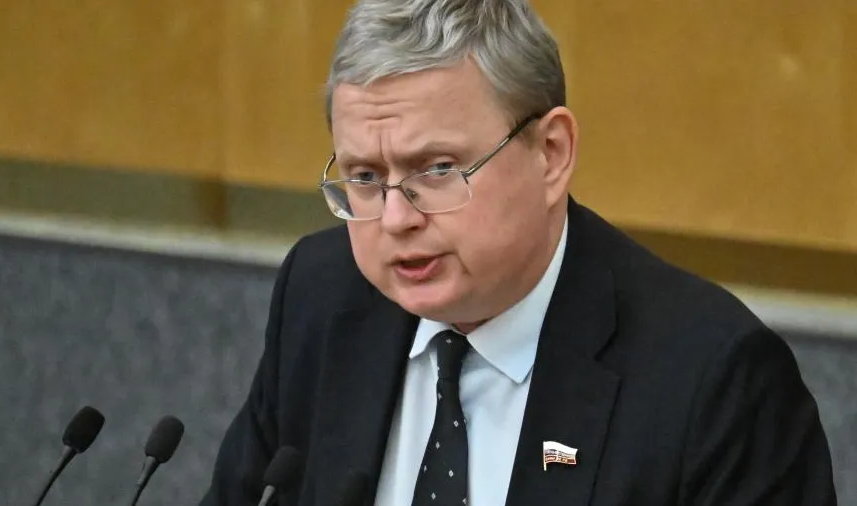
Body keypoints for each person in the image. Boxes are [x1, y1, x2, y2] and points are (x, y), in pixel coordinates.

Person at [200, 0, 837, 504]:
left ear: (551, 154)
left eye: (438, 169)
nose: (396, 219)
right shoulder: (321, 296)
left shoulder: (714, 381)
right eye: (365, 177)